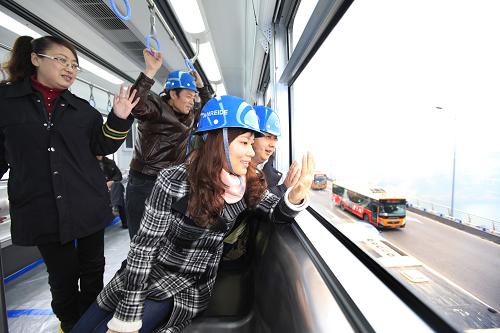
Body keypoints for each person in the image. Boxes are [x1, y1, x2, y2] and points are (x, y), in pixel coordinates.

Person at [71, 95, 315, 333]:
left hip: (182, 283)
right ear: (218, 141)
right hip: (141, 271)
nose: (252, 152)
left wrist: (294, 197)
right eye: (244, 143)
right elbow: (143, 248)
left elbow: (276, 211)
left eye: (252, 143)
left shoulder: (248, 182)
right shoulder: (173, 180)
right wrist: (128, 315)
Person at [0, 35, 139, 332]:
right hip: (40, 205)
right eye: (61, 60)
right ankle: (71, 323)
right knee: (61, 275)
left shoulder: (82, 109)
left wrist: (118, 118)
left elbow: (103, 144)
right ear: (36, 59)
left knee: (92, 270)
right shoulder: (6, 103)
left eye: (74, 65)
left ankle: (89, 321)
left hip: (86, 201)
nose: (70, 69)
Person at [126, 49, 212, 239]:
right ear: (173, 94)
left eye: (194, 96)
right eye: (188, 95)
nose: (192, 101)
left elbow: (210, 110)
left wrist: (201, 86)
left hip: (173, 179)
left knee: (168, 234)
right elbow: (136, 104)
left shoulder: (190, 114)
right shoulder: (155, 107)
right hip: (145, 180)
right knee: (142, 235)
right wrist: (149, 71)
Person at [222, 106, 300, 260]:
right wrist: (283, 188)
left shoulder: (263, 169)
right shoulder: (233, 169)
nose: (272, 144)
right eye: (267, 136)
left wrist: (293, 194)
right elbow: (253, 202)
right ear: (251, 136)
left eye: (275, 138)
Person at [97, 155, 128, 228]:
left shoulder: (110, 162)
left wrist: (111, 182)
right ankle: (116, 207)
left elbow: (119, 175)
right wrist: (104, 185)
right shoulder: (90, 163)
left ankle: (114, 207)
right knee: (120, 197)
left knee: (117, 185)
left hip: (112, 189)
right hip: (98, 189)